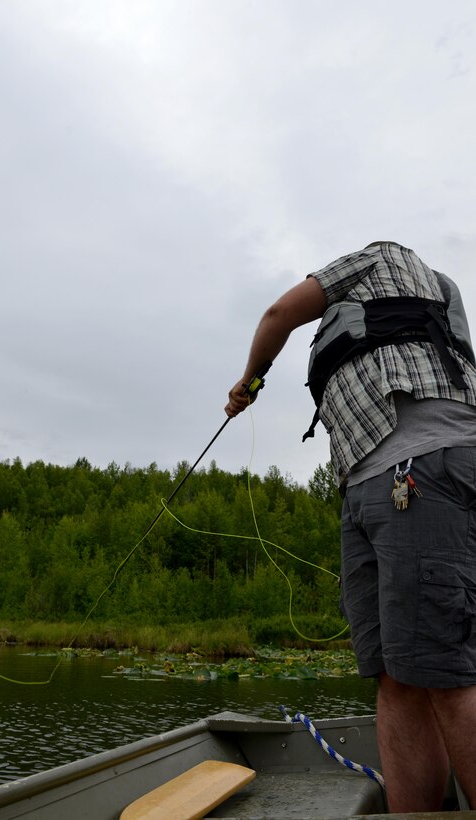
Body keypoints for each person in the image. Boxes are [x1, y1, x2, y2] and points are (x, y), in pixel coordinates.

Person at [225, 241, 476, 813]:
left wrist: (248, 382)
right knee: (396, 675)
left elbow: (277, 315)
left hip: (421, 465)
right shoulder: (414, 293)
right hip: (369, 484)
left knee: (445, 671)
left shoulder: (379, 256)